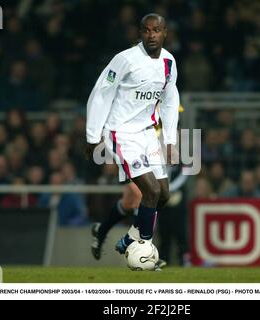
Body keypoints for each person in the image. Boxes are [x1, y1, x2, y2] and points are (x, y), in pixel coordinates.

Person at [85, 13, 179, 262]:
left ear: (165, 32)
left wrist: (169, 140)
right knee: (149, 190)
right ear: (140, 33)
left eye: (156, 30)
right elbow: (101, 93)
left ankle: (129, 237)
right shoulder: (125, 60)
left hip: (148, 134)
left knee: (163, 195)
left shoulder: (169, 63)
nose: (151, 35)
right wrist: (93, 136)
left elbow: (170, 101)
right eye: (146, 30)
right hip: (121, 133)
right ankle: (144, 251)